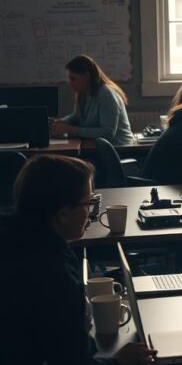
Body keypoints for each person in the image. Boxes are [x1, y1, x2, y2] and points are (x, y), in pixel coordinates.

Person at [0, 155, 156, 365]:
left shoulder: (12, 235)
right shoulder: (54, 272)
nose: (91, 213)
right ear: (63, 214)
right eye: (88, 203)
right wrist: (120, 362)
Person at [50, 55, 134, 146]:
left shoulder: (106, 94)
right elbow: (77, 117)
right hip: (97, 147)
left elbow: (107, 133)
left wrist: (71, 130)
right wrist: (59, 122)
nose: (70, 83)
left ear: (86, 76)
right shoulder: (83, 93)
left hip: (118, 149)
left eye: (73, 78)